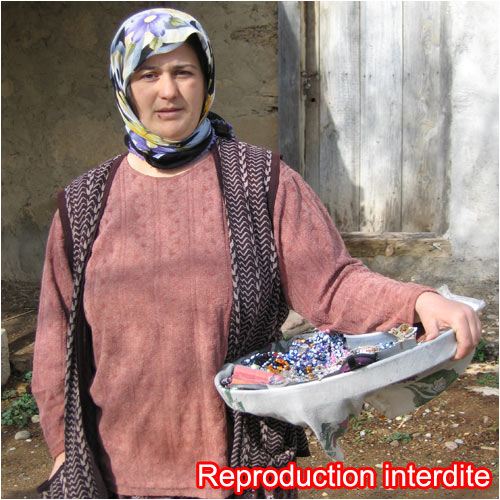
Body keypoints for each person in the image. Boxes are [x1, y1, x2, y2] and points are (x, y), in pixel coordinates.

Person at [32, 7, 481, 499]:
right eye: (148, 74)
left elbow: (331, 283)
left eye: (183, 71)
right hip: (114, 474)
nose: (167, 91)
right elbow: (56, 344)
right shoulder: (83, 205)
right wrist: (60, 452)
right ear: (124, 84)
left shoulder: (258, 184)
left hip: (236, 472)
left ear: (206, 80)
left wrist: (418, 301)